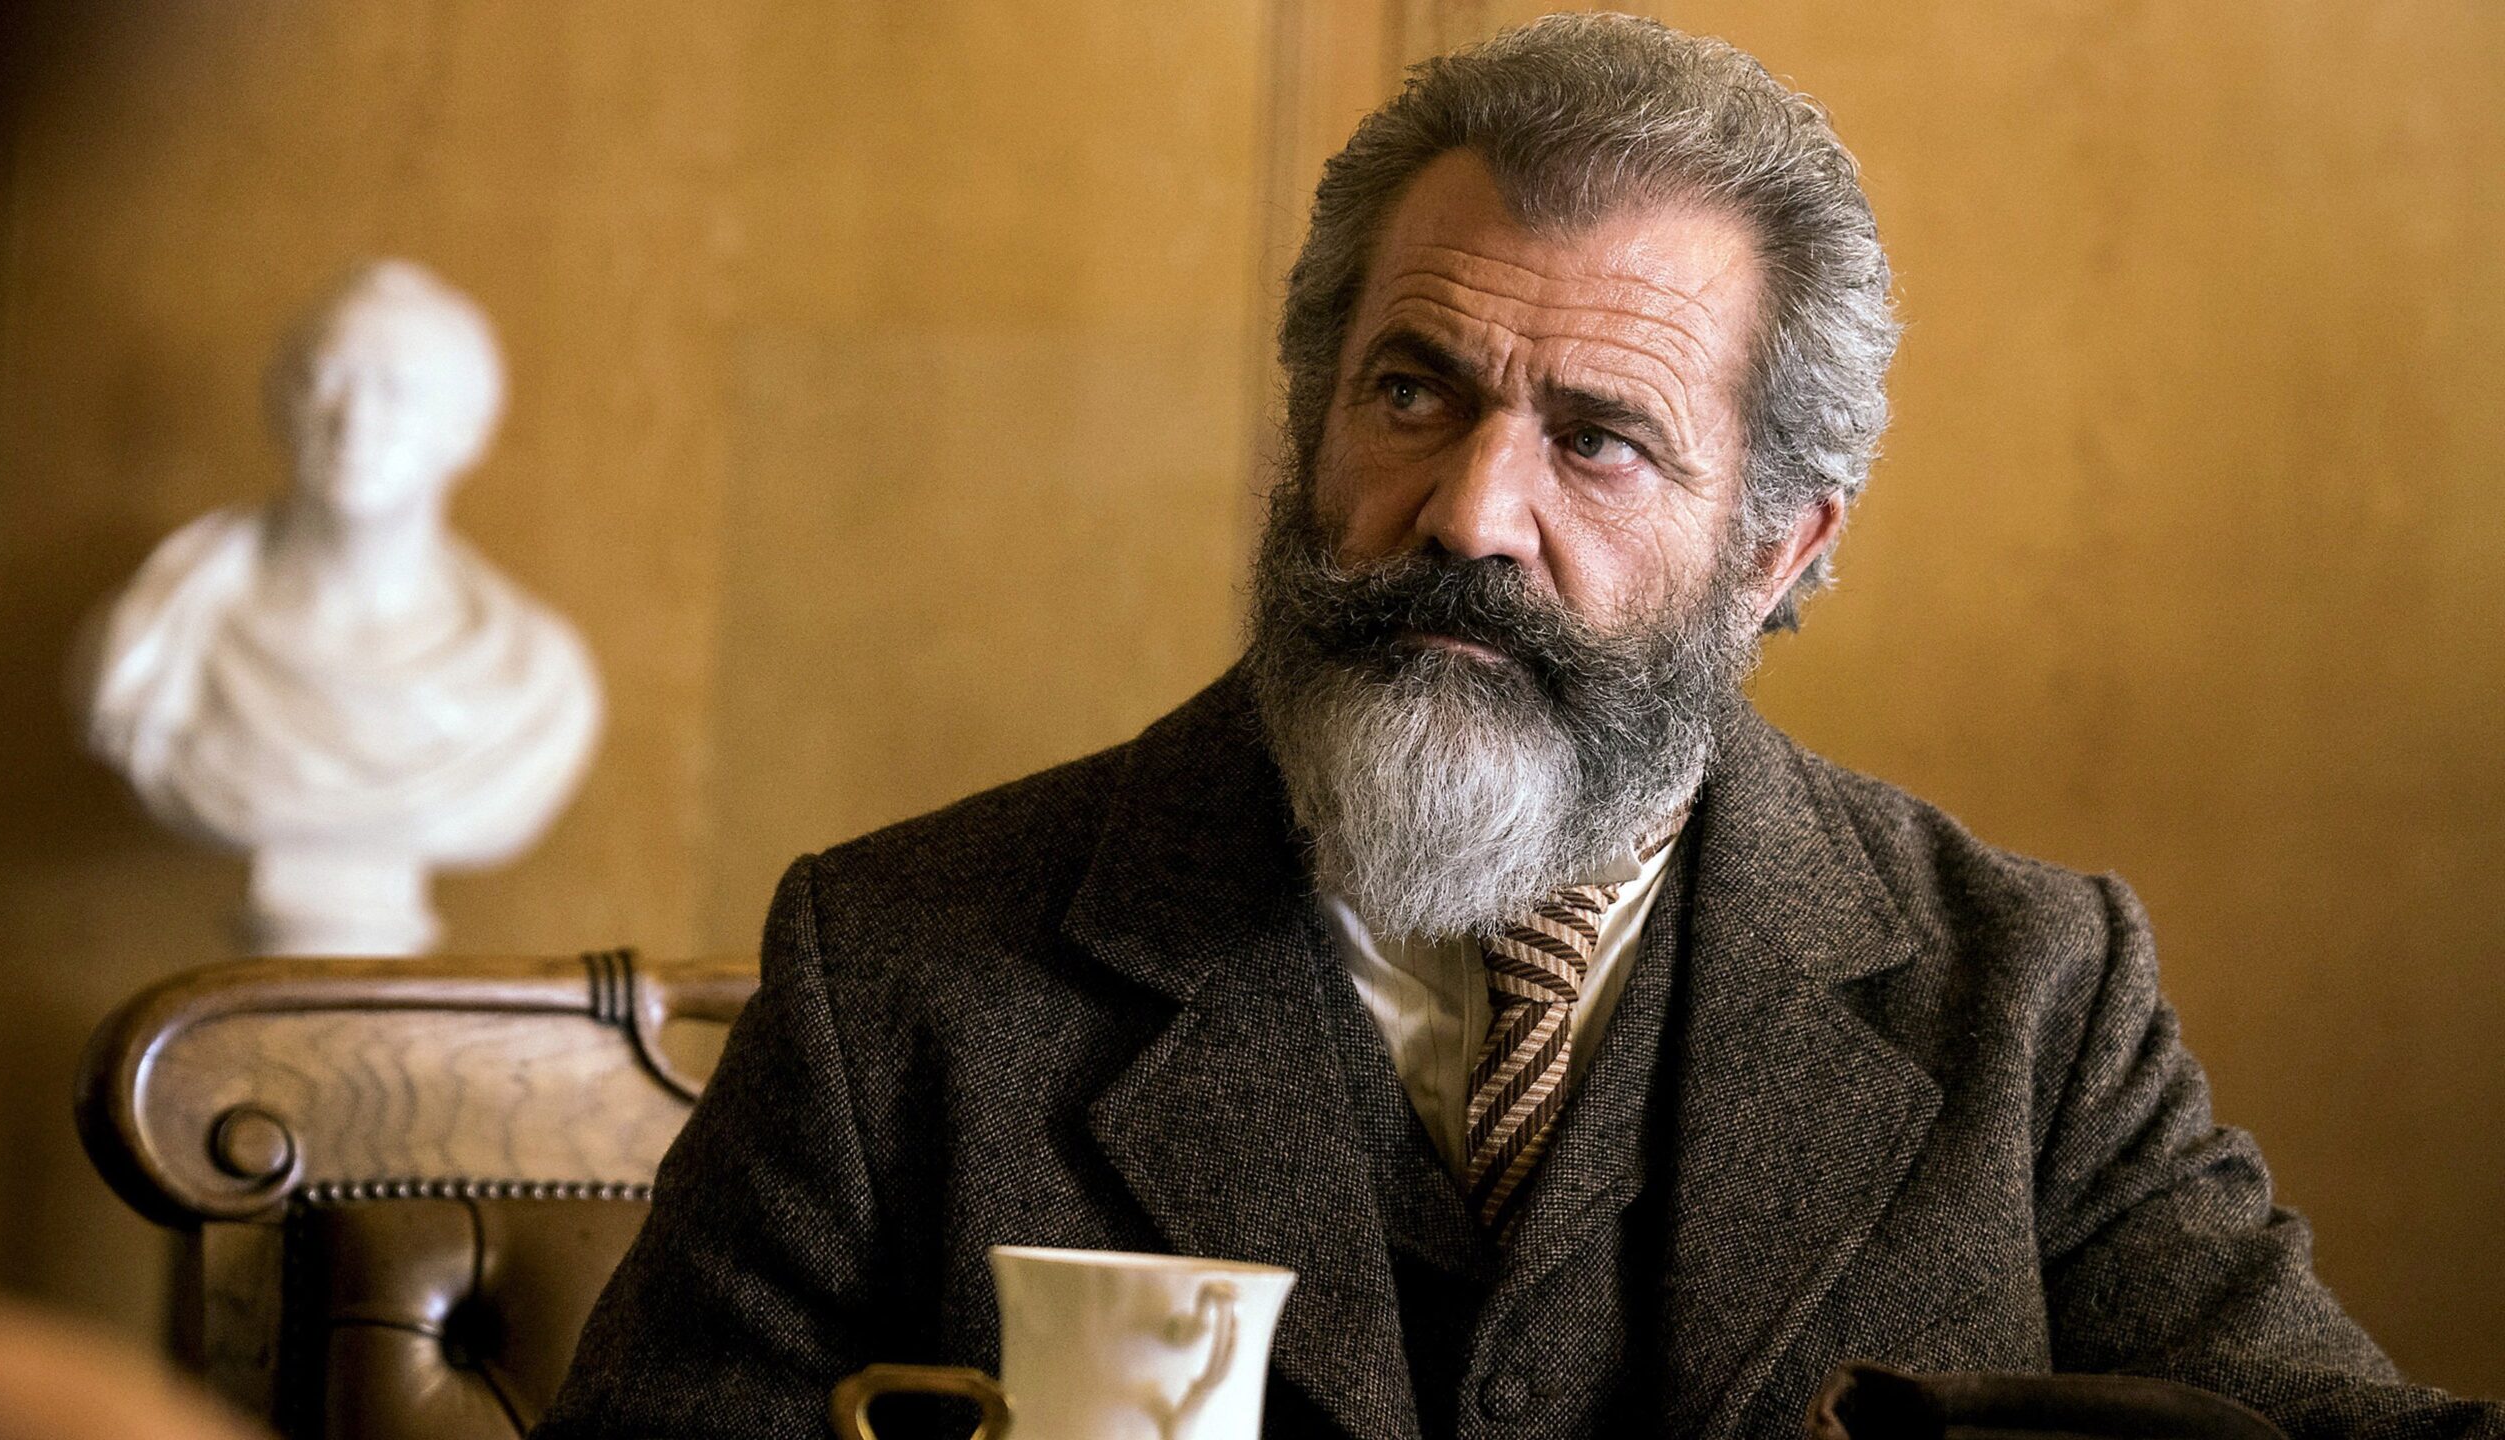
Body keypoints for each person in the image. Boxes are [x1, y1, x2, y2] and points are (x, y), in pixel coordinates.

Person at [540, 15, 2502, 1440]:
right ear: (1310, 426)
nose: (1473, 512)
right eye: (1413, 392)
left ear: (1777, 547)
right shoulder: (897, 978)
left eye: (1600, 439)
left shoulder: (2030, 1001)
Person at [72, 259, 601, 955]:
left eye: (397, 391)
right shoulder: (156, 638)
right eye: (329, 379)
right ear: (283, 404)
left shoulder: (534, 684)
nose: (355, 420)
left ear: (466, 430)